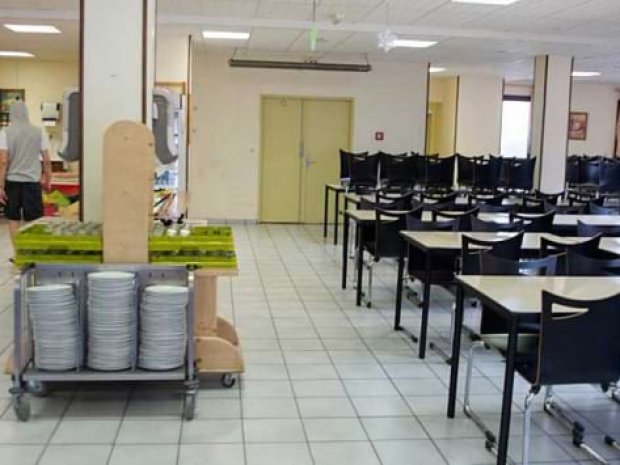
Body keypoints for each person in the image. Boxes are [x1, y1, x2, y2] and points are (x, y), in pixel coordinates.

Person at [0, 101, 52, 253]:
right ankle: (33, 252)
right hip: (32, 182)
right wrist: (48, 179)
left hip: (12, 182)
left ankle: (18, 254)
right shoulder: (39, 132)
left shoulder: (5, 132)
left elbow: (3, 161)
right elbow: (47, 160)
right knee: (34, 220)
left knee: (13, 219)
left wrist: (1, 186)